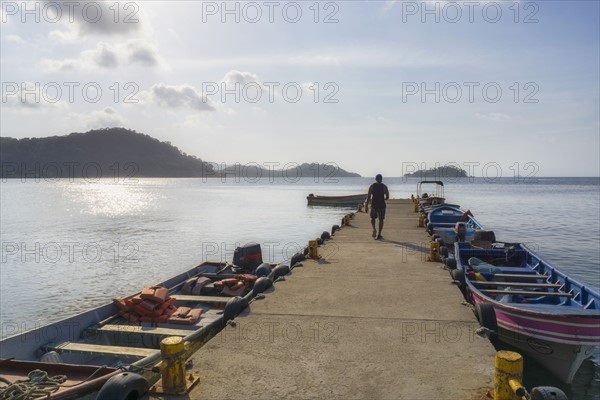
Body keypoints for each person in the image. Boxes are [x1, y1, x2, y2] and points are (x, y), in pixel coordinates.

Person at [365, 174, 389, 240]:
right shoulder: (384, 187)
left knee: (373, 218)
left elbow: (369, 197)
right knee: (381, 220)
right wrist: (383, 198)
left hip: (374, 205)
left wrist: (366, 205)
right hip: (381, 205)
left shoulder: (372, 186)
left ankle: (374, 229)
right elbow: (387, 197)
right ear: (381, 179)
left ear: (375, 179)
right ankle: (379, 234)